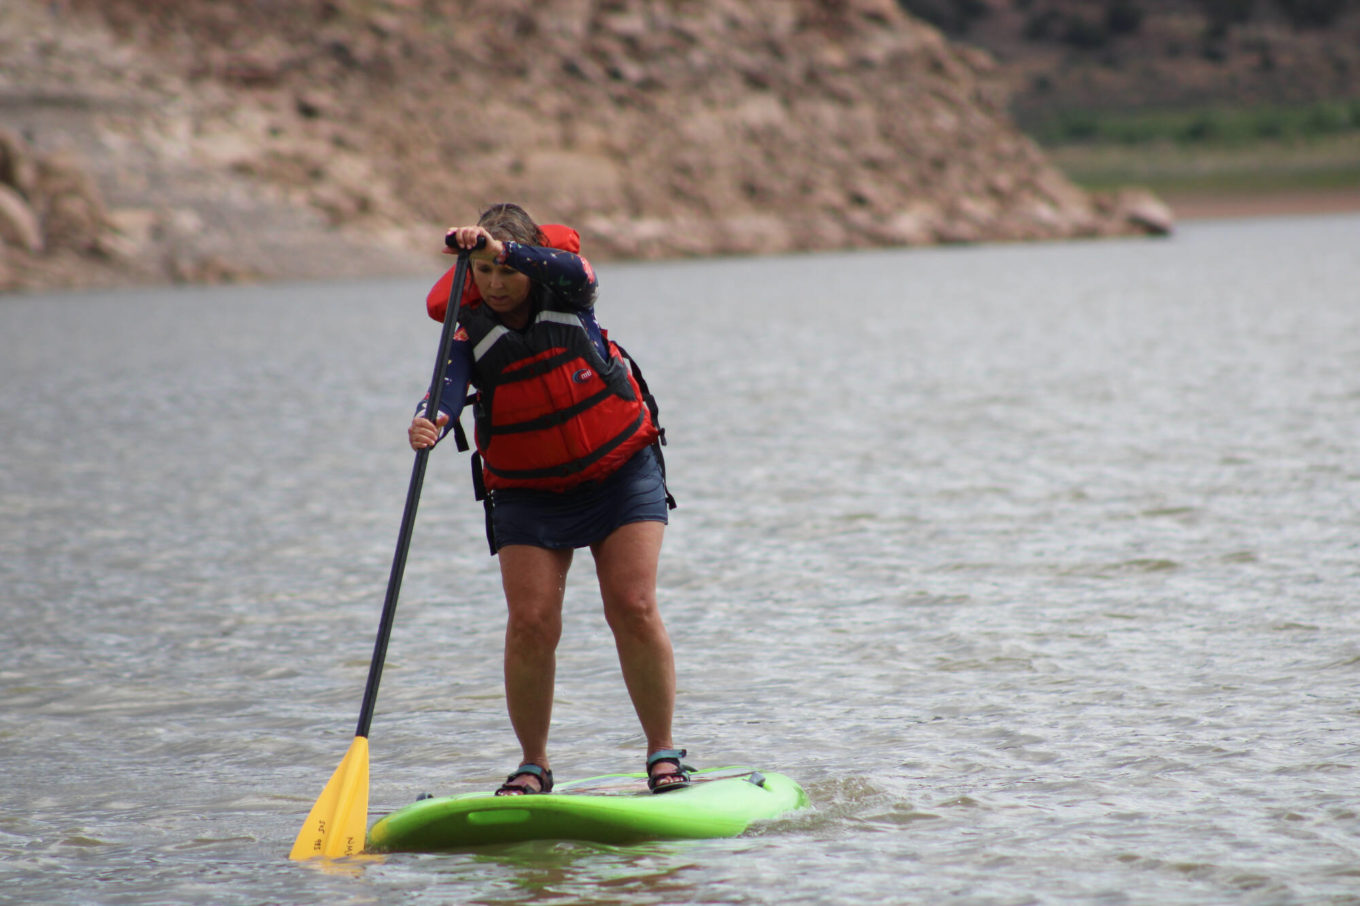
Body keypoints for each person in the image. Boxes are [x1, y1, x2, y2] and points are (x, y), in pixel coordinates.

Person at [408, 202, 690, 796]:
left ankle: (663, 754)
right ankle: (533, 764)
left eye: (504, 271)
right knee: (530, 624)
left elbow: (579, 273)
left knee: (632, 605)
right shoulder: (469, 326)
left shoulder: (569, 293)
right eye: (482, 273)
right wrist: (428, 419)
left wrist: (500, 248)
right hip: (528, 492)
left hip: (619, 470)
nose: (495, 285)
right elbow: (446, 387)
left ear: (528, 263)